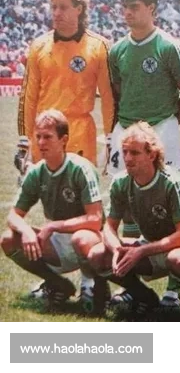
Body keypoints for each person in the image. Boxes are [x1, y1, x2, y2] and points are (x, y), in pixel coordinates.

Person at [107, 0, 180, 309]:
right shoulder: (117, 50)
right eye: (125, 7)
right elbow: (118, 92)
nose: (128, 13)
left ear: (152, 9)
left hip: (162, 128)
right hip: (125, 130)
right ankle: (131, 279)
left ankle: (174, 286)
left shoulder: (170, 47)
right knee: (127, 201)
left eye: (134, 7)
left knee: (169, 200)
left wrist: (167, 125)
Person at [86, 122, 180, 322]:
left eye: (135, 153)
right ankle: (144, 296)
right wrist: (117, 249)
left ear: (152, 155)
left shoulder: (172, 182)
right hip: (151, 244)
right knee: (97, 255)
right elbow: (109, 227)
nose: (128, 158)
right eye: (125, 152)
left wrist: (141, 251)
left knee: (179, 260)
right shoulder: (121, 182)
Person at [2, 110, 106, 312]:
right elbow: (13, 215)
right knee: (8, 239)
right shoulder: (37, 172)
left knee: (81, 239)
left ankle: (92, 284)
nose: (41, 143)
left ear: (64, 139)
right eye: (38, 136)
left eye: (48, 137)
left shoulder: (80, 168)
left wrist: (53, 226)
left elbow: (95, 219)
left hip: (89, 240)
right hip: (57, 241)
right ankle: (57, 284)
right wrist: (26, 231)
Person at [16, 0, 114, 171]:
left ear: (79, 9)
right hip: (44, 132)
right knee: (47, 189)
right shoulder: (38, 46)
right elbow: (28, 97)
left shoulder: (99, 46)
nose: (56, 13)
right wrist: (23, 140)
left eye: (63, 7)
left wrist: (110, 138)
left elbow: (109, 97)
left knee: (79, 189)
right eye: (53, 7)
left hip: (81, 134)